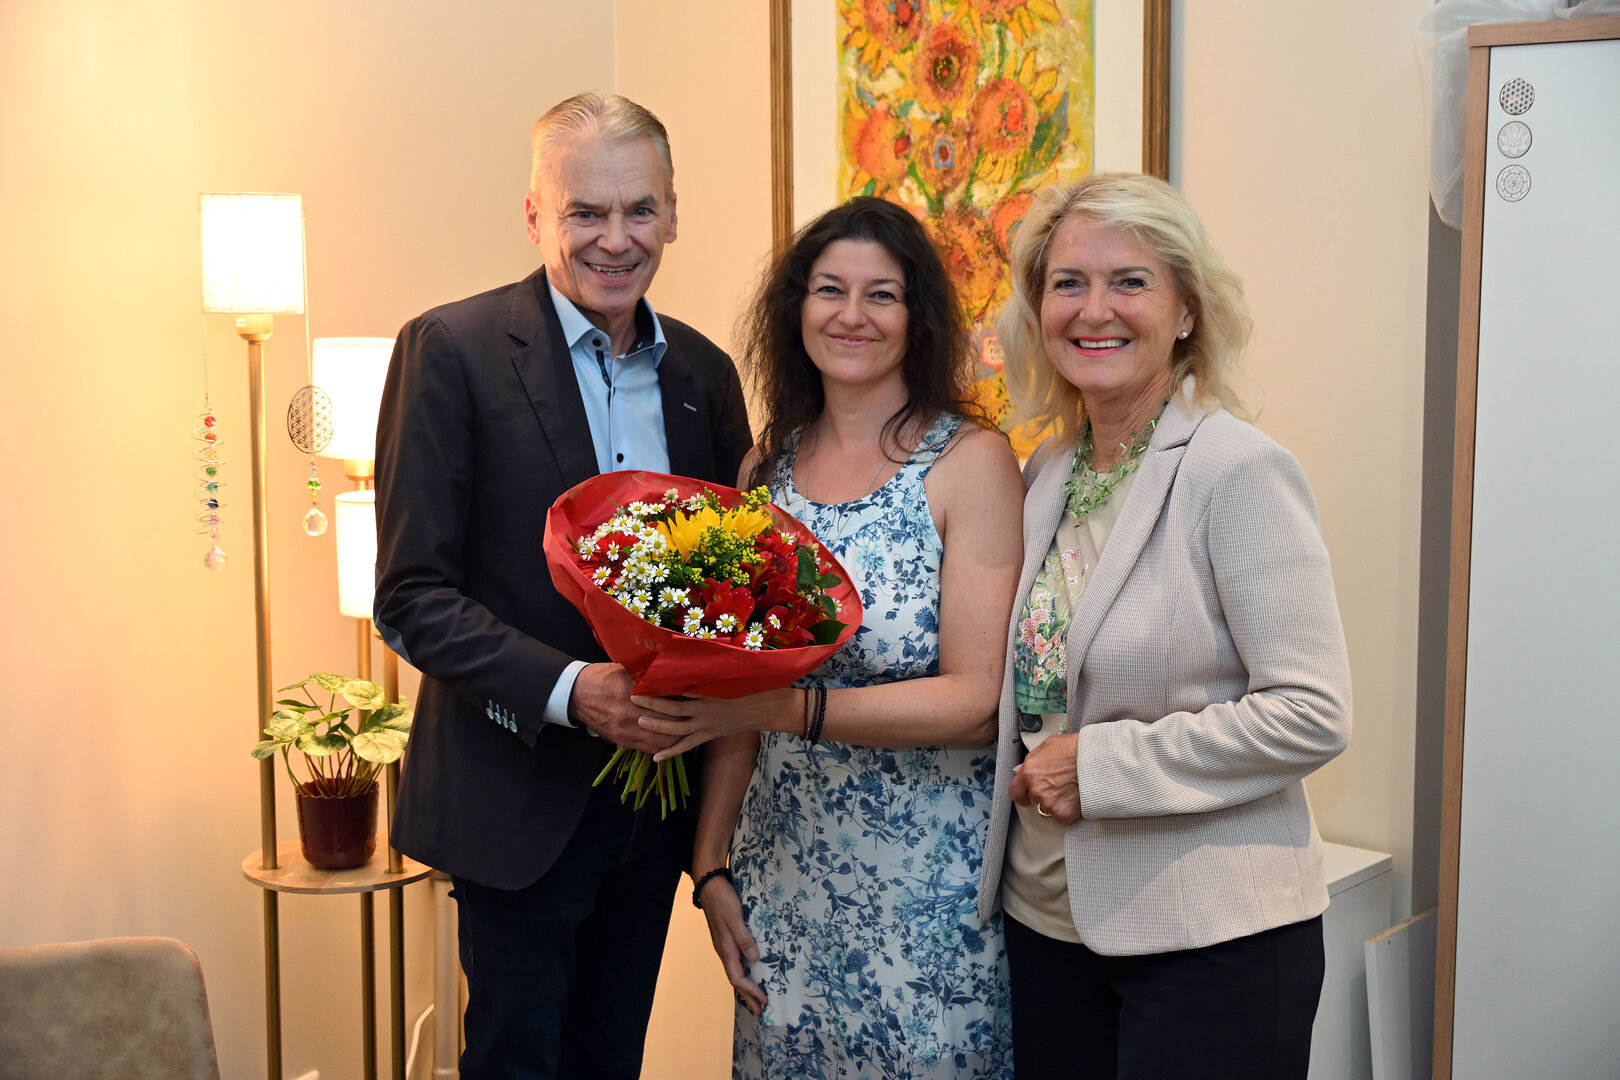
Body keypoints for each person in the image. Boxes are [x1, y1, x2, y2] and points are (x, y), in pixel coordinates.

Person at [373, 92, 752, 1080]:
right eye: (587, 211)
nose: (615, 239)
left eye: (640, 211)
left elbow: (732, 584)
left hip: (650, 810)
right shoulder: (449, 352)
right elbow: (412, 595)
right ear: (535, 213)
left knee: (607, 1062)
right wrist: (571, 691)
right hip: (513, 797)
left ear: (674, 213)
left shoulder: (705, 376)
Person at [633, 196, 1023, 1079]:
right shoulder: (763, 471)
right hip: (783, 883)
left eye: (881, 295)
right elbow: (737, 688)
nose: (852, 315)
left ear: (917, 318)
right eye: (829, 290)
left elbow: (974, 700)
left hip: (929, 893)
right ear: (795, 308)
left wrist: (791, 707)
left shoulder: (971, 465)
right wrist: (711, 867)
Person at [975, 171, 1352, 1079]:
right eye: (1068, 282)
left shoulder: (1237, 471)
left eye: (1129, 282)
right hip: (1047, 924)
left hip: (1207, 938)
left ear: (1185, 310)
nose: (1093, 309)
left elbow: (1312, 711)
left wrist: (1100, 768)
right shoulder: (1048, 472)